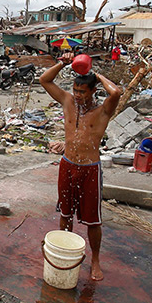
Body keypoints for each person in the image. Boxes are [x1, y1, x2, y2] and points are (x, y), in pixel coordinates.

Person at [39, 52, 121, 281]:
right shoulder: (67, 101)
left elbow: (115, 92)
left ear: (93, 91)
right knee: (65, 214)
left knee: (93, 220)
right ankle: (66, 251)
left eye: (82, 92)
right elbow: (44, 80)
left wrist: (96, 74)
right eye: (75, 90)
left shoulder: (103, 110)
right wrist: (63, 63)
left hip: (90, 169)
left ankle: (95, 260)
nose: (77, 95)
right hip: (67, 165)